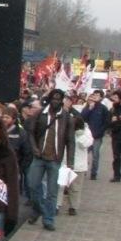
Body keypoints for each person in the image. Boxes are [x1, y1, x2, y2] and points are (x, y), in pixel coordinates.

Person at [24, 89, 74, 231]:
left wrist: (70, 162)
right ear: (50, 99)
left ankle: (48, 219)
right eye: (54, 98)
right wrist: (34, 148)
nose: (56, 101)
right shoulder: (40, 114)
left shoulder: (67, 117)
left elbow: (70, 141)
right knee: (32, 185)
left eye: (59, 99)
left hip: (55, 159)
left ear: (62, 101)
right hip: (39, 157)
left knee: (52, 191)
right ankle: (39, 209)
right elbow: (31, 132)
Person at [61, 114, 94, 216]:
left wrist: (79, 135)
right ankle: (56, 205)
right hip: (65, 163)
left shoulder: (86, 131)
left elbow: (86, 144)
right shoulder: (64, 130)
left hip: (78, 165)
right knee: (60, 186)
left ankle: (73, 207)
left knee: (75, 188)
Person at [81, 90, 110, 180]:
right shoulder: (88, 106)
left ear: (101, 98)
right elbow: (82, 118)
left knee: (95, 155)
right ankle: (84, 171)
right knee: (84, 154)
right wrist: (89, 108)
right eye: (94, 95)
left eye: (98, 95)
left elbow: (106, 121)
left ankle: (94, 173)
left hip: (97, 136)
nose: (96, 97)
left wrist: (101, 131)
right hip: (87, 135)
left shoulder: (103, 108)